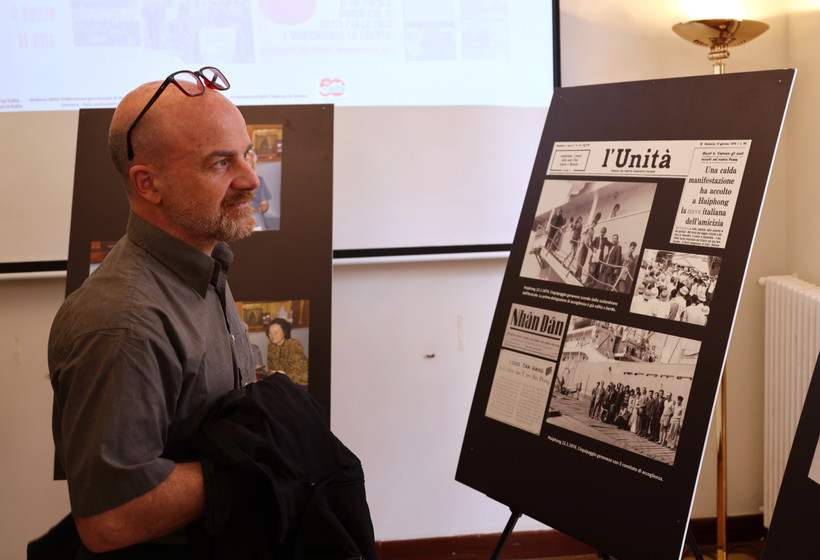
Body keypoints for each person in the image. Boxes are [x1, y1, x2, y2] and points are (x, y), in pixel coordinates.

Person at [48, 68, 262, 555]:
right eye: (220, 163)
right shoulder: (125, 325)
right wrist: (263, 462)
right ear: (149, 184)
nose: (251, 178)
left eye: (247, 153)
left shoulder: (204, 265)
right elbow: (111, 520)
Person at [266, 317, 309, 386]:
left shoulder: (293, 344)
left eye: (276, 332)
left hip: (300, 382)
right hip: (283, 382)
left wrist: (278, 378)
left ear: (284, 332)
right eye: (270, 333)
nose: (272, 335)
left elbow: (296, 372)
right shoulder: (271, 346)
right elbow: (271, 368)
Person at [248, 149, 272, 231]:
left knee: (257, 216)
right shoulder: (230, 180)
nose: (244, 162)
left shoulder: (259, 181)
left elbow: (265, 204)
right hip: (236, 214)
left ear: (254, 165)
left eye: (247, 160)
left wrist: (258, 209)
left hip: (253, 214)